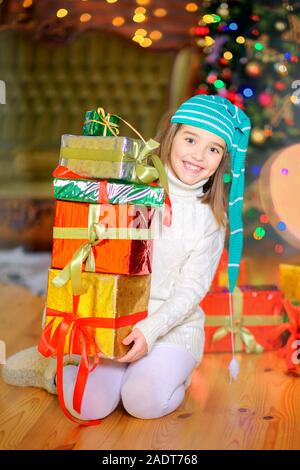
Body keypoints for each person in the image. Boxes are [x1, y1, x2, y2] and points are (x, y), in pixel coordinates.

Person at [2, 94, 251, 421]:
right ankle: (53, 368)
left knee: (142, 401)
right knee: (85, 405)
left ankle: (172, 373)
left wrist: (151, 330)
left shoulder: (210, 220)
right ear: (171, 136)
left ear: (223, 159)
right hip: (116, 318)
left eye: (213, 149)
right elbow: (99, 256)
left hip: (170, 328)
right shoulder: (129, 191)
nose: (199, 155)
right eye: (191, 139)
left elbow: (191, 289)